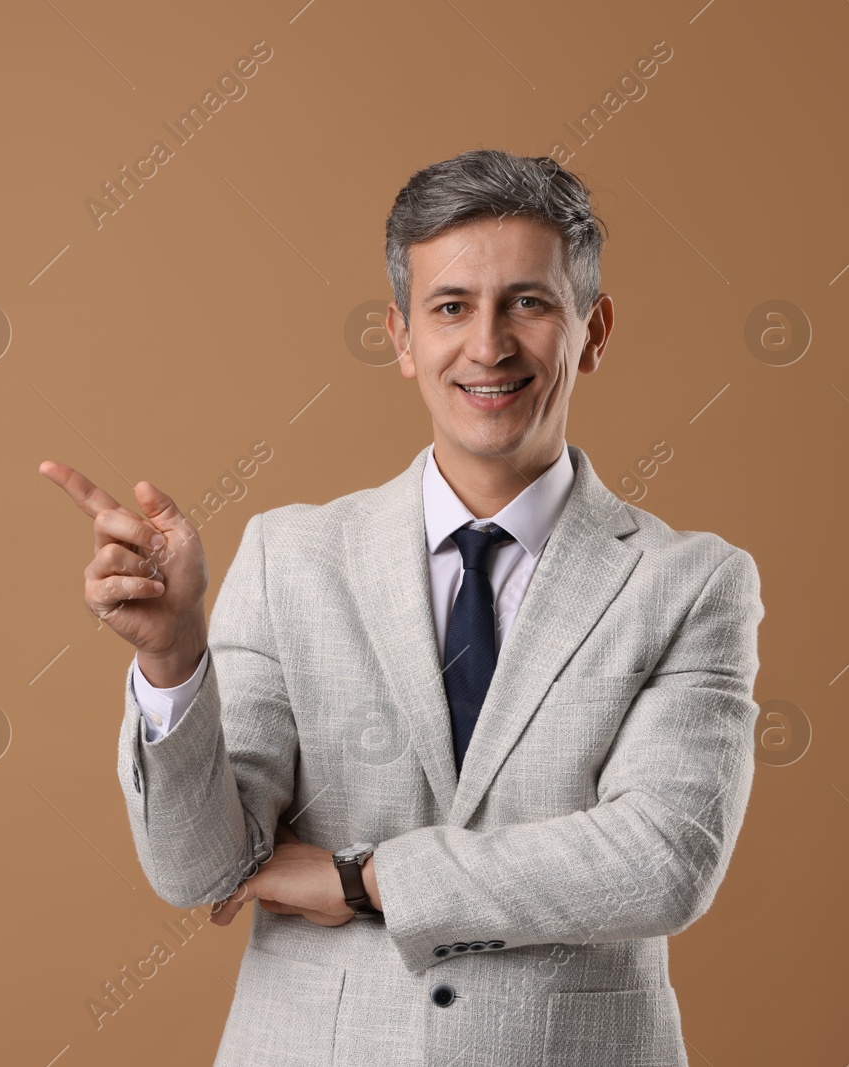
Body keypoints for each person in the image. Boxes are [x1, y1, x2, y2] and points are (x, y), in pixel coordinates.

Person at [40, 148, 764, 1067]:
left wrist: (366, 875)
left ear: (594, 329)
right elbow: (205, 869)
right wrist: (175, 660)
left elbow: (662, 859)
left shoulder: (692, 582)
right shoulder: (288, 557)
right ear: (401, 336)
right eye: (451, 306)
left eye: (528, 303)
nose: (489, 345)